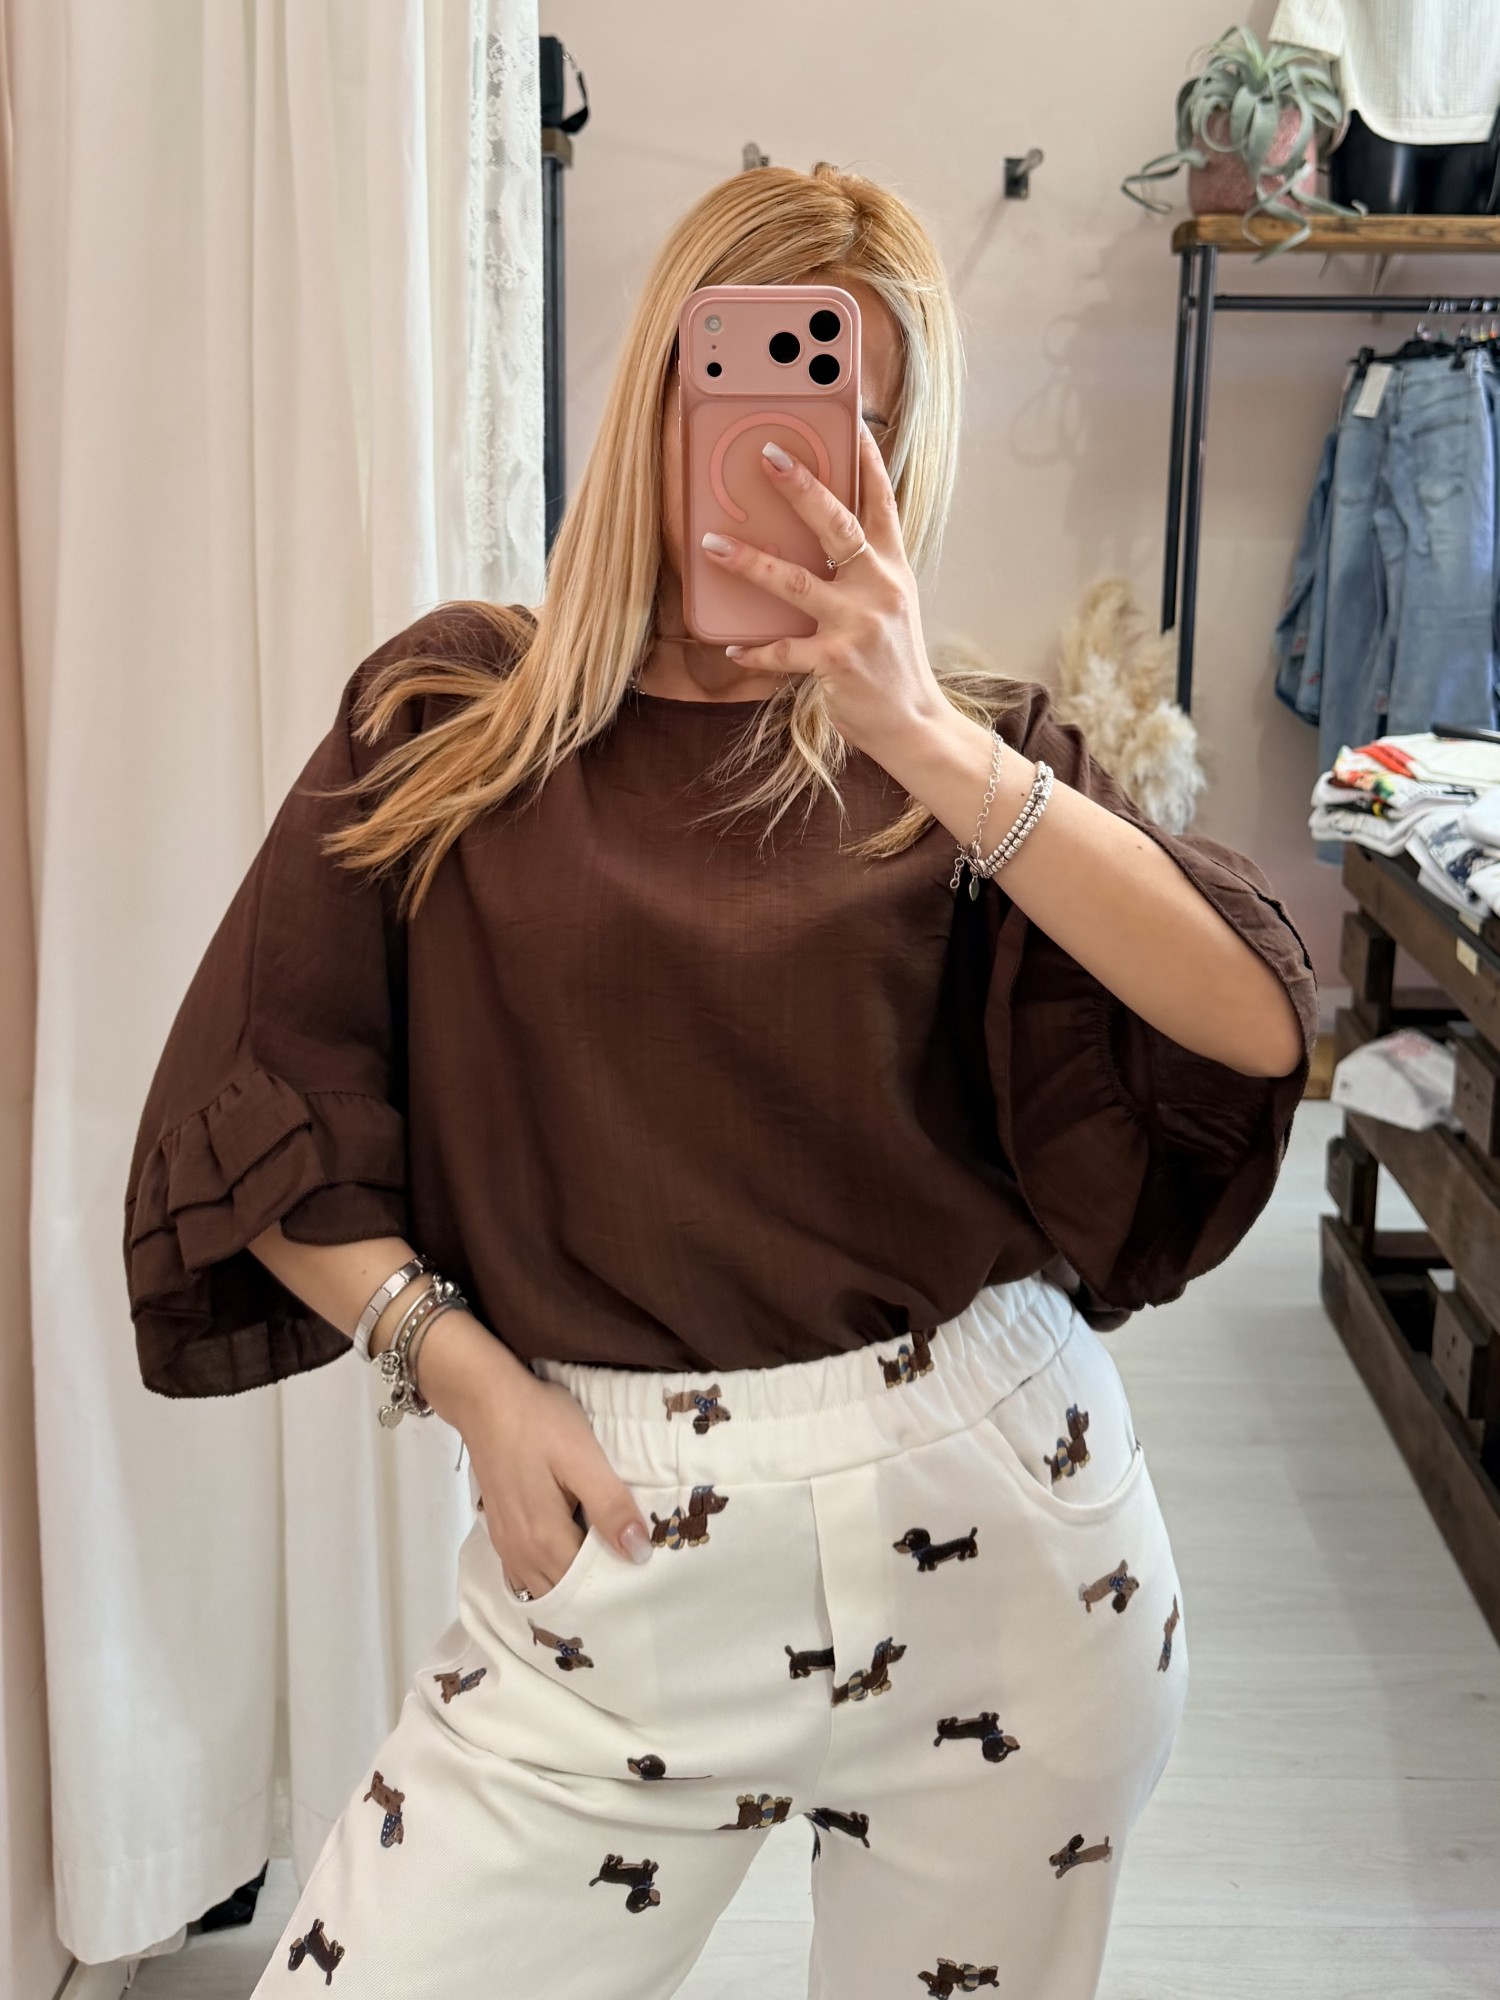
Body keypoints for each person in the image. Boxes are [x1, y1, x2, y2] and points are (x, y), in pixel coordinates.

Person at [123, 162, 1317, 2000]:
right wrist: (464, 1376)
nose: (785, 459)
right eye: (732, 384)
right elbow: (260, 1111)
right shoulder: (449, 720)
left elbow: (1256, 1021)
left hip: (1000, 1547)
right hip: (610, 1541)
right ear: (654, 400)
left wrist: (920, 735)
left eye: (853, 422)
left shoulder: (972, 761)